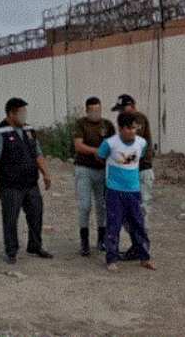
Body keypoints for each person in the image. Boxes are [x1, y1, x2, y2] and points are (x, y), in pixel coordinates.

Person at [0, 97, 54, 264]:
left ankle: (35, 246)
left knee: (36, 213)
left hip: (30, 183)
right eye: (21, 112)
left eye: (25, 112)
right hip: (10, 185)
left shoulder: (29, 130)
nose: (24, 115)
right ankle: (11, 251)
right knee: (11, 217)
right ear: (11, 114)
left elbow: (37, 153)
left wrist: (45, 173)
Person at [97, 112, 155, 271]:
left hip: (134, 191)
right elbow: (100, 156)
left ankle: (144, 257)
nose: (132, 131)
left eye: (134, 128)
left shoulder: (141, 143)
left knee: (138, 224)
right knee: (114, 225)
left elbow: (140, 157)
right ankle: (111, 259)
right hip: (114, 191)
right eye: (129, 128)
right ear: (121, 128)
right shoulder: (110, 143)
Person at [111, 94, 154, 261]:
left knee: (140, 211)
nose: (121, 113)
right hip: (133, 172)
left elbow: (132, 145)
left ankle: (142, 249)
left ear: (131, 106)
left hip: (142, 170)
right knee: (130, 213)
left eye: (123, 109)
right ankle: (137, 246)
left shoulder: (138, 119)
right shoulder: (131, 120)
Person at [72, 96, 116, 256]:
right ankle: (84, 241)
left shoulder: (107, 125)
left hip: (102, 170)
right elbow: (78, 146)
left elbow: (114, 145)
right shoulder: (80, 124)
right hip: (84, 169)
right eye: (93, 110)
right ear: (87, 110)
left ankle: (101, 239)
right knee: (85, 205)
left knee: (102, 205)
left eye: (98, 110)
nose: (96, 113)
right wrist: (96, 151)